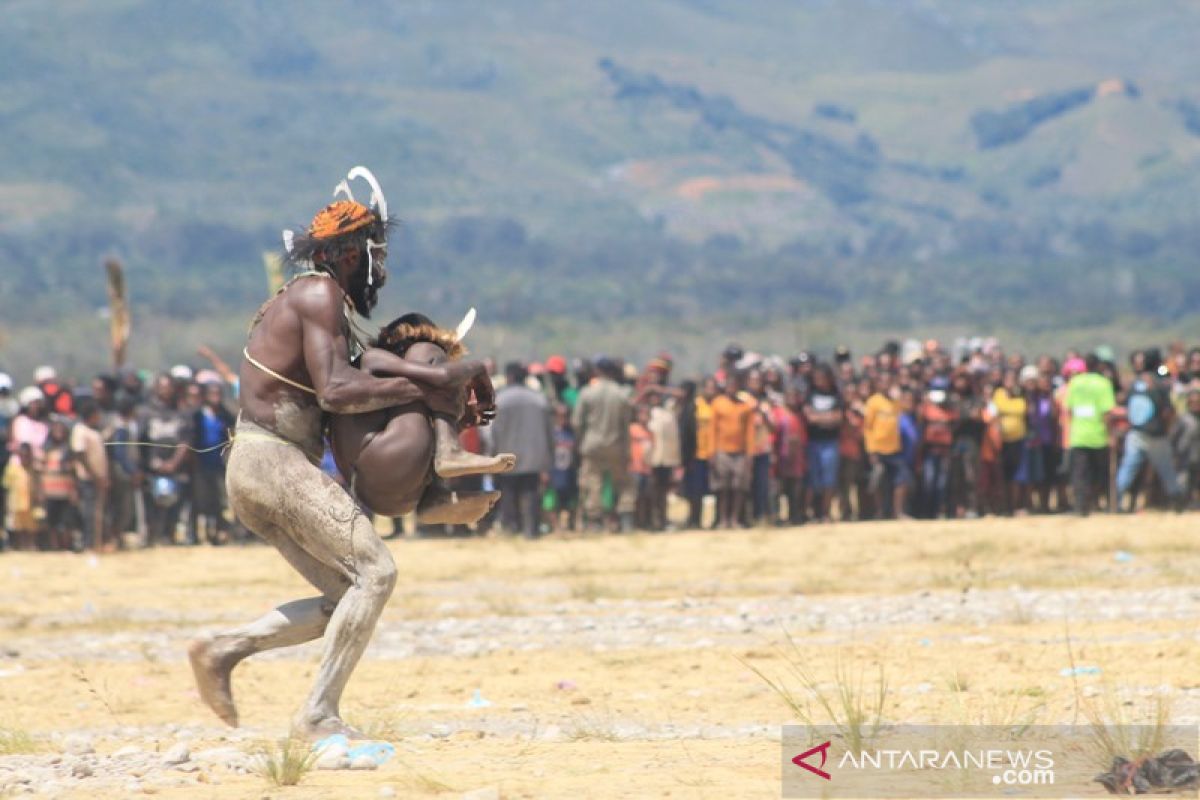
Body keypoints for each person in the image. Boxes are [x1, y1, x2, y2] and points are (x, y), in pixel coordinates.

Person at [188, 170, 490, 739]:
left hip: (260, 467)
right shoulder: (318, 293)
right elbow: (336, 392)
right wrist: (428, 387)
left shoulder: (316, 301)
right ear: (352, 253)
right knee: (376, 574)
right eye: (377, 253)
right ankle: (317, 716)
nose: (383, 266)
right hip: (272, 461)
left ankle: (222, 651)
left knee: (345, 595)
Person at [490, 362, 554, 539]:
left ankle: (511, 528)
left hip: (507, 455)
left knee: (508, 494)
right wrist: (549, 457)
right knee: (531, 493)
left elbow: (493, 433)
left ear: (509, 377)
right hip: (534, 456)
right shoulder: (539, 400)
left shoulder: (500, 400)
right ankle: (531, 530)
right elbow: (550, 432)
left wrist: (491, 456)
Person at [1115, 357, 1185, 512]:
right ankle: (1177, 500)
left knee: (1128, 468)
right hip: (1156, 434)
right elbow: (1168, 411)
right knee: (1166, 469)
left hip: (1136, 432)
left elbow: (1128, 406)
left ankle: (1116, 501)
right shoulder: (1159, 385)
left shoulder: (1134, 384)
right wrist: (1167, 429)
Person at [573, 358, 634, 532]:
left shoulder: (587, 392)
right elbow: (626, 424)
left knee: (593, 483)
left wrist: (581, 440)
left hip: (592, 444)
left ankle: (595, 521)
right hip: (616, 444)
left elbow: (577, 422)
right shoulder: (622, 394)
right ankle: (626, 518)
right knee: (624, 482)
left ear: (597, 371)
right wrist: (626, 448)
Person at [138, 374, 192, 546]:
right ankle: (152, 537)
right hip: (151, 469)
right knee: (151, 507)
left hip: (177, 469)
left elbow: (186, 441)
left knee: (175, 506)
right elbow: (140, 442)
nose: (165, 390)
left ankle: (169, 536)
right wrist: (150, 463)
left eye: (169, 386)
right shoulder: (146, 412)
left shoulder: (182, 412)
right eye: (162, 386)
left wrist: (173, 463)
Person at [1066, 354, 1115, 516]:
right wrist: (1111, 435)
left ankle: (1081, 507)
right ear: (1099, 366)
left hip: (1079, 435)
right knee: (1099, 473)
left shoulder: (1074, 383)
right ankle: (1099, 503)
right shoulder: (1103, 384)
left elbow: (1069, 409)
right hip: (1098, 436)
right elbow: (1107, 412)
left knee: (1080, 474)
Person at [192, 382, 236, 545]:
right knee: (203, 501)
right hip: (201, 465)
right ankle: (201, 534)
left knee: (221, 501)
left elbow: (232, 437)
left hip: (220, 465)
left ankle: (221, 532)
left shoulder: (225, 415)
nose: (215, 397)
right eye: (212, 393)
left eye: (218, 393)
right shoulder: (197, 415)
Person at [709, 373, 753, 529]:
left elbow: (749, 431)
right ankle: (723, 519)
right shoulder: (717, 404)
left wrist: (749, 453)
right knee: (723, 487)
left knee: (738, 487)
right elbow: (712, 429)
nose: (732, 389)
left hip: (740, 452)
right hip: (722, 451)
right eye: (729, 386)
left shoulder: (745, 406)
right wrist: (712, 452)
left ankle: (735, 519)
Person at [863, 374, 910, 519]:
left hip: (894, 448)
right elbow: (867, 428)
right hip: (877, 449)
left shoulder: (895, 402)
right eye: (883, 382)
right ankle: (880, 512)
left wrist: (899, 395)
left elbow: (908, 407)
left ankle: (898, 512)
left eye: (889, 382)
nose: (886, 385)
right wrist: (871, 450)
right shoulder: (873, 402)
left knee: (902, 479)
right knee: (878, 481)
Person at [804, 363, 842, 523]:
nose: (819, 381)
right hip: (813, 442)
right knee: (813, 480)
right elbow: (809, 418)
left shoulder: (836, 395)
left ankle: (826, 513)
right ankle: (813, 513)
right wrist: (828, 418)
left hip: (830, 443)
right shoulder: (810, 395)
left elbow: (838, 418)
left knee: (829, 480)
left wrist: (818, 418)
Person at [71, 400, 109, 552]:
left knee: (97, 512)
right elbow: (80, 454)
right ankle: (88, 544)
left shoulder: (94, 431)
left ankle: (97, 543)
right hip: (88, 478)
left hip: (99, 477)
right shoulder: (80, 430)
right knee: (89, 512)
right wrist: (95, 475)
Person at [646, 394, 681, 531]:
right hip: (650, 460)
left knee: (662, 492)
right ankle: (650, 519)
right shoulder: (647, 413)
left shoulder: (668, 415)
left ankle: (662, 519)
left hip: (665, 460)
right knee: (651, 492)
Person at [41, 416, 77, 551]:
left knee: (67, 521)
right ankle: (54, 547)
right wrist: (40, 490)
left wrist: (74, 490)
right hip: (49, 489)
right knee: (52, 522)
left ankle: (66, 546)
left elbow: (73, 473)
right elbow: (41, 471)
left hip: (65, 490)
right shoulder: (46, 449)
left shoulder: (69, 450)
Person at [3, 443, 38, 551]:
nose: (25, 458)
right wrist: (5, 503)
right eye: (22, 455)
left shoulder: (34, 469)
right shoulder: (12, 469)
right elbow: (6, 487)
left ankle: (30, 545)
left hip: (30, 502)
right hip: (15, 502)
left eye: (27, 455)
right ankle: (19, 545)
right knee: (17, 526)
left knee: (31, 525)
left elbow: (37, 484)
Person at [629, 404, 654, 530]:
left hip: (647, 470)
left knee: (646, 497)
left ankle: (645, 522)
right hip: (635, 469)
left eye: (646, 414)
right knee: (635, 497)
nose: (644, 417)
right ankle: (634, 522)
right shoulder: (632, 429)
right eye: (642, 414)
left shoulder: (651, 432)